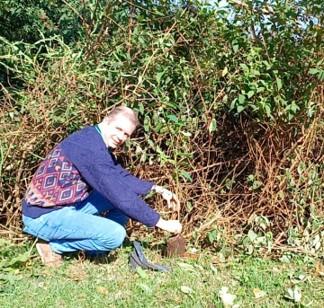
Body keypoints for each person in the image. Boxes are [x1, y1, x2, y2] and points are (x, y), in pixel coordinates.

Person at [22, 106, 182, 266]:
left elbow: (118, 176)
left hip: (64, 207)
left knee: (125, 194)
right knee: (115, 235)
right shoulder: (90, 148)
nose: (121, 137)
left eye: (126, 134)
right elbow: (119, 194)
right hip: (42, 216)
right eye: (118, 129)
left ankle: (96, 246)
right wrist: (162, 223)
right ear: (106, 120)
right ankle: (54, 247)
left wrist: (157, 189)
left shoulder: (93, 138)